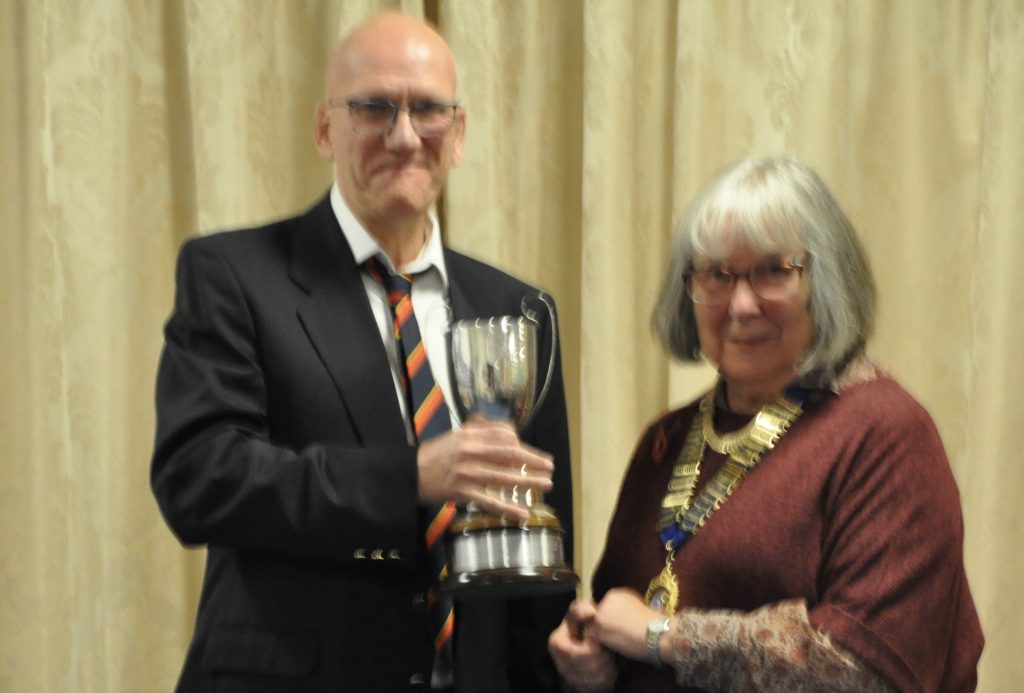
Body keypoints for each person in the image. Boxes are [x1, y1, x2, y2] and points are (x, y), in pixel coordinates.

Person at [151, 12, 573, 692]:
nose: (404, 136)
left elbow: (538, 561)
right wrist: (410, 476)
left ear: (458, 133)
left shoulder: (519, 309)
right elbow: (199, 479)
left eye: (428, 110)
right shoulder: (233, 275)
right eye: (374, 108)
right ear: (326, 129)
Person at [548, 155, 983, 692]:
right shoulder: (666, 441)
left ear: (826, 282)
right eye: (717, 275)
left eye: (774, 271)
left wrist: (664, 637)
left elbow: (865, 667)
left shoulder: (886, 432)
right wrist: (592, 660)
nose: (741, 304)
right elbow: (623, 620)